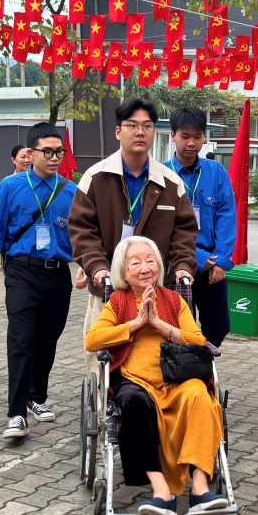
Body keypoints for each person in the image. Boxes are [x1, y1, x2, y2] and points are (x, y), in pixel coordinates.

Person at [85, 236, 227, 515]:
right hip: (137, 383)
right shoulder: (118, 301)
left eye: (150, 260)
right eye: (135, 262)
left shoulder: (173, 300)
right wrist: (136, 323)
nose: (144, 267)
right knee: (132, 403)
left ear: (159, 267)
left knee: (199, 395)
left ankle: (199, 488)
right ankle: (162, 492)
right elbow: (93, 340)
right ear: (124, 272)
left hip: (177, 380)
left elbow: (198, 339)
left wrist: (161, 326)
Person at [69, 97, 198, 342]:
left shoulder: (171, 182)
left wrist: (183, 267)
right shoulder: (95, 178)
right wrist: (97, 267)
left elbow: (185, 232)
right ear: (118, 131)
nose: (140, 132)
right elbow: (82, 231)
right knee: (104, 361)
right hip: (109, 288)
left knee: (164, 361)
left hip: (160, 290)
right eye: (132, 125)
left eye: (147, 126)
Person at [0, 124, 77, 441]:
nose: (53, 157)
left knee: (47, 340)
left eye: (58, 152)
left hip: (58, 273)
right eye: (47, 151)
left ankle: (36, 396)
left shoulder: (70, 192)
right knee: (21, 340)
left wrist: (87, 266)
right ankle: (16, 412)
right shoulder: (10, 187)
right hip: (21, 271)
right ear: (30, 153)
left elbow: (81, 236)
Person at [166, 108, 236, 345]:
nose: (191, 143)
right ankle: (184, 372)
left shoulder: (215, 172)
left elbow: (226, 215)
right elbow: (163, 226)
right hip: (176, 265)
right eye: (185, 136)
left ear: (204, 138)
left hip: (212, 268)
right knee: (179, 329)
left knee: (218, 326)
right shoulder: (162, 175)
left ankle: (203, 369)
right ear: (172, 136)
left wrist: (221, 260)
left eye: (197, 137)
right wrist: (198, 256)